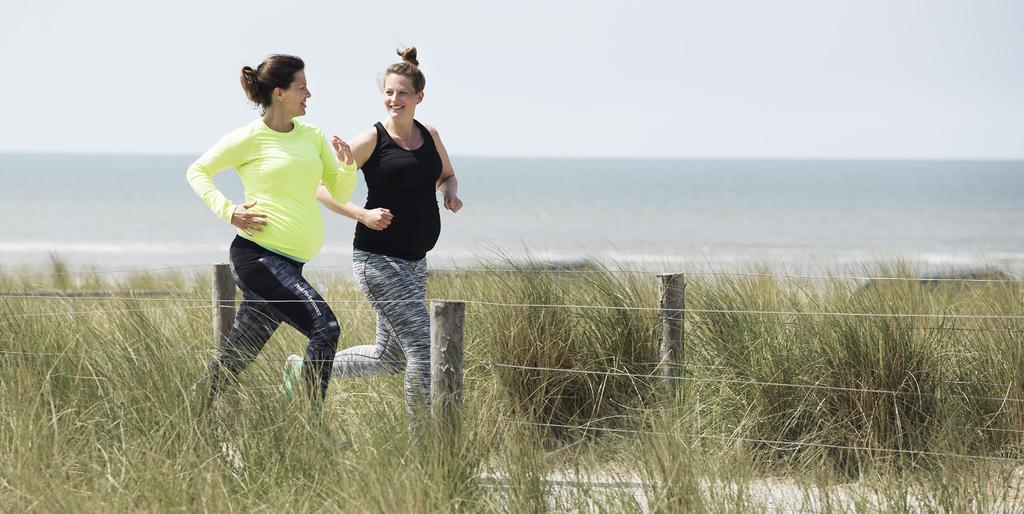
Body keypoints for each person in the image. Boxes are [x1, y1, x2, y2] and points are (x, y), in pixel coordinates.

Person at [281, 47, 462, 422]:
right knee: (423, 349)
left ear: (419, 97)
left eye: (403, 93)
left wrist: (450, 193)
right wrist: (361, 214)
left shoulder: (430, 135)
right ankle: (423, 445)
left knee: (390, 357)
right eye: (389, 92)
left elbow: (446, 174)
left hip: (415, 261)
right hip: (378, 259)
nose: (394, 99)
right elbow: (321, 187)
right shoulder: (370, 140)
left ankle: (305, 369)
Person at [186, 54, 358, 407]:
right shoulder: (250, 138)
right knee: (325, 328)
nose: (309, 94)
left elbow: (339, 192)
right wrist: (229, 211)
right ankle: (309, 427)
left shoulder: (312, 137)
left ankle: (189, 417)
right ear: (280, 93)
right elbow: (198, 172)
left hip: (290, 265)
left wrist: (348, 166)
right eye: (302, 87)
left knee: (237, 356)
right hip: (258, 258)